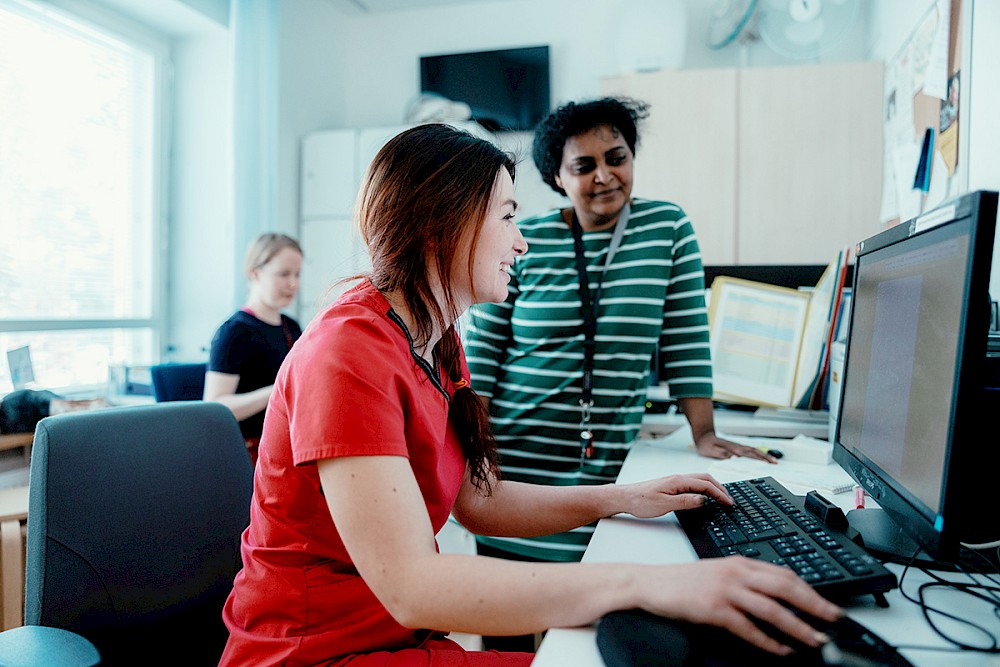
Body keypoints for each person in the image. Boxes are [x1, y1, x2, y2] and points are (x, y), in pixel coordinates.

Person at [219, 123, 841, 666]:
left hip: (388, 638)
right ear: (444, 225)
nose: (522, 242)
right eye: (509, 217)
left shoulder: (432, 339)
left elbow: (476, 501)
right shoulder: (347, 353)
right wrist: (649, 583)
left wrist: (623, 497)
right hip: (316, 652)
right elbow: (411, 584)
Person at [462, 97, 774, 572]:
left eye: (617, 158)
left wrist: (704, 432)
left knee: (584, 606)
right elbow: (483, 352)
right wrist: (474, 453)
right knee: (510, 607)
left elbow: (685, 336)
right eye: (584, 166)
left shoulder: (667, 228)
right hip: (515, 464)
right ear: (557, 178)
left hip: (608, 468)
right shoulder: (525, 238)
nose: (604, 176)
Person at [204, 232, 304, 466]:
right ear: (255, 274)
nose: (293, 284)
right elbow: (216, 406)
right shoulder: (235, 332)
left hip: (288, 445)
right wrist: (277, 391)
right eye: (283, 274)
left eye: (297, 274)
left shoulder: (291, 326)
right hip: (249, 454)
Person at [0, 388, 110, 435]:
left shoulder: (9, 403)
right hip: (38, 410)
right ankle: (99, 406)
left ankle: (100, 406)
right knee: (68, 407)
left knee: (66, 406)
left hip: (37, 404)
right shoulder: (8, 416)